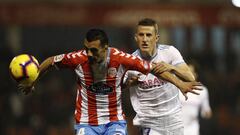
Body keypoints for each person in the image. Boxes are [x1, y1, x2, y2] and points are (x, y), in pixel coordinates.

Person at [18, 28, 201, 135]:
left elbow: (155, 68)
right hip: (86, 123)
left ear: (105, 48)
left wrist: (180, 84)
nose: (89, 54)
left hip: (115, 122)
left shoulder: (121, 58)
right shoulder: (77, 58)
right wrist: (34, 79)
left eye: (94, 50)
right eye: (87, 49)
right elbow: (51, 61)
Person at [123, 18, 199, 135]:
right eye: (141, 35)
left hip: (174, 119)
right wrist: (128, 84)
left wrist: (171, 67)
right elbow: (118, 87)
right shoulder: (130, 61)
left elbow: (190, 77)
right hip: (149, 121)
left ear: (156, 38)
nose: (145, 39)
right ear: (136, 37)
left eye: (148, 35)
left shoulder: (170, 52)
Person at [179, 62, 212, 135]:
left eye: (190, 72)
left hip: (192, 129)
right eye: (185, 71)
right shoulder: (177, 87)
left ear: (196, 74)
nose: (187, 74)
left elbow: (206, 110)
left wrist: (207, 114)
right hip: (177, 128)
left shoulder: (202, 90)